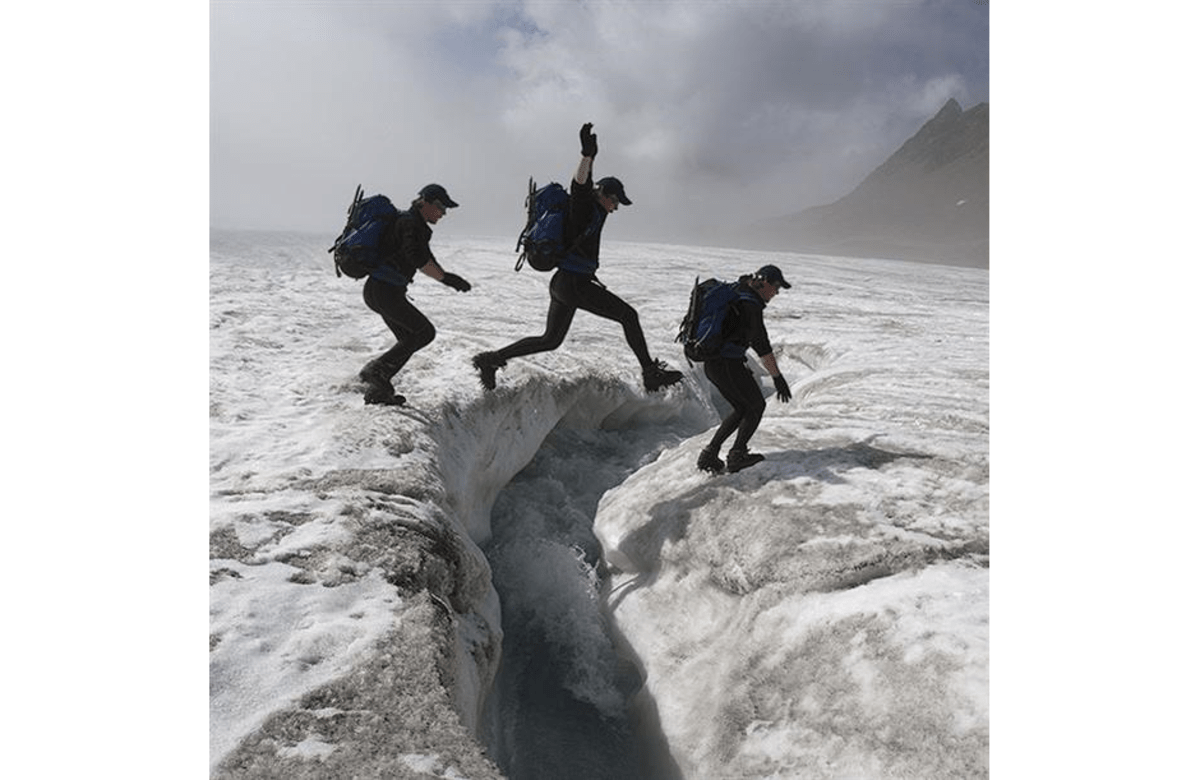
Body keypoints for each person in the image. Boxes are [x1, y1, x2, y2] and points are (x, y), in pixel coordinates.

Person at [472, 123, 683, 393]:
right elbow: (580, 184)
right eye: (615, 201)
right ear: (604, 194)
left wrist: (591, 161)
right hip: (573, 284)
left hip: (565, 283)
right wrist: (587, 156)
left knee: (550, 339)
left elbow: (588, 188)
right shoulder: (583, 207)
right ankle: (650, 374)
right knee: (628, 316)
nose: (616, 207)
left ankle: (490, 360)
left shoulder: (596, 211)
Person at [358, 183, 473, 406]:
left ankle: (377, 390)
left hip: (382, 290)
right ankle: (375, 372)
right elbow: (417, 259)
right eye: (441, 207)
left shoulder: (415, 225)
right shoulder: (409, 224)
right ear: (425, 202)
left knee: (410, 338)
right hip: (384, 290)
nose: (443, 213)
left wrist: (447, 277)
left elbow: (426, 257)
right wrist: (447, 279)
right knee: (425, 332)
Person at [696, 264, 794, 473]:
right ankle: (737, 455)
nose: (776, 293)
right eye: (776, 287)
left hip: (714, 364)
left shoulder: (739, 293)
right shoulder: (750, 304)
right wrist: (777, 378)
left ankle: (709, 455)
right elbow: (762, 345)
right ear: (764, 282)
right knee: (756, 406)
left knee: (742, 408)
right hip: (727, 364)